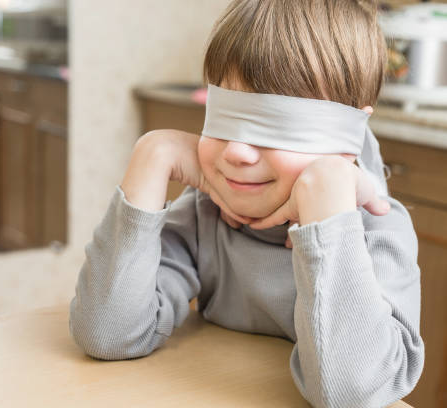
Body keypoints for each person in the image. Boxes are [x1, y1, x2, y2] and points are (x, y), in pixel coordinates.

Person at [68, 1, 425, 407]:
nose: (236, 151)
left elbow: (351, 393)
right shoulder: (205, 213)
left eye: (278, 124)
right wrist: (153, 155)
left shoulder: (377, 229)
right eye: (225, 116)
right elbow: (107, 335)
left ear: (348, 136)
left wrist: (329, 214)